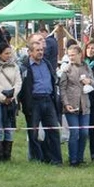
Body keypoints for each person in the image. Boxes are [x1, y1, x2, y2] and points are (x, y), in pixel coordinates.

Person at [19, 36, 63, 165]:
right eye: (37, 50)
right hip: (34, 101)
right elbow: (23, 88)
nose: (40, 52)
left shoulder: (47, 63)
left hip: (48, 100)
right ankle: (37, 159)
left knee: (53, 131)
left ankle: (56, 159)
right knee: (33, 132)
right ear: (30, 52)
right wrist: (26, 104)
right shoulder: (25, 67)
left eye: (42, 50)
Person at [59, 44, 94, 167]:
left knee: (84, 132)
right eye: (69, 55)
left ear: (80, 54)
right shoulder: (67, 69)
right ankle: (73, 159)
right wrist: (66, 103)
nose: (71, 57)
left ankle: (80, 157)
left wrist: (89, 82)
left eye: (73, 55)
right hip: (71, 105)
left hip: (85, 105)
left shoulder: (87, 67)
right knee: (74, 133)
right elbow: (62, 88)